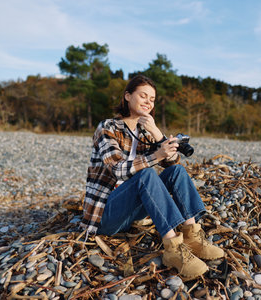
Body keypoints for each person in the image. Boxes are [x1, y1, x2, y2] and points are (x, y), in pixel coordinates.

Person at [80, 74, 224, 279]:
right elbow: (118, 169)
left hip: (132, 211)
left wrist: (157, 133)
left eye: (152, 99)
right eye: (143, 96)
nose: (148, 102)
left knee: (176, 172)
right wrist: (156, 155)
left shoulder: (145, 131)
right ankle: (173, 249)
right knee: (146, 173)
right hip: (105, 215)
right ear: (128, 96)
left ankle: (192, 236)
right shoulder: (107, 127)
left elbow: (173, 164)